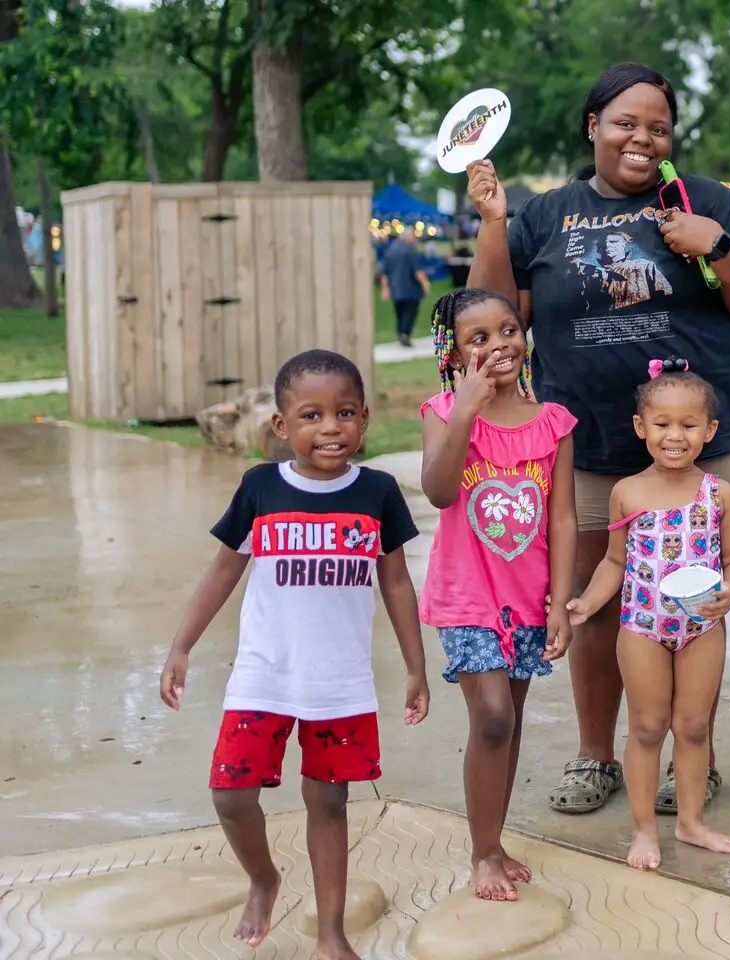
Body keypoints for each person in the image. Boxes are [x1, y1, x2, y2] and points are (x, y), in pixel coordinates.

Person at [465, 61, 730, 817]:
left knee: (689, 597)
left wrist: (717, 245)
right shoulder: (547, 214)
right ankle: (595, 756)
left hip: (700, 441)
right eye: (625, 123)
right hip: (589, 443)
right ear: (593, 127)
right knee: (594, 601)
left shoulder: (706, 201)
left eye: (658, 127)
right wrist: (491, 224)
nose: (642, 138)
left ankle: (690, 757)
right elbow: (494, 312)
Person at [158, 349, 429, 958]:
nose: (330, 427)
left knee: (328, 802)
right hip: (264, 673)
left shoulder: (379, 492)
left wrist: (415, 667)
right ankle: (264, 878)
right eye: (312, 415)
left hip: (341, 682)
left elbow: (395, 583)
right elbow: (223, 570)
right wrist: (181, 646)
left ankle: (330, 931)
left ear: (364, 420)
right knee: (230, 794)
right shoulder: (261, 486)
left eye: (345, 413)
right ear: (282, 427)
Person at [419, 288, 578, 900]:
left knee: (507, 722)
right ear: (454, 354)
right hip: (466, 594)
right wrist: (465, 410)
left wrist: (560, 600)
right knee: (490, 716)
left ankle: (495, 838)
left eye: (508, 330)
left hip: (528, 597)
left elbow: (562, 519)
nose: (498, 345)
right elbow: (436, 489)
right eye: (477, 338)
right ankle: (482, 852)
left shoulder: (553, 423)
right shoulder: (441, 412)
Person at [568, 357, 730, 870]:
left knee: (693, 727)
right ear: (641, 428)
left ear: (710, 430)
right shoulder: (626, 491)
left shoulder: (720, 495)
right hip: (642, 628)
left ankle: (692, 823)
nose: (676, 436)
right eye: (663, 424)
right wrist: (587, 602)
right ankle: (644, 829)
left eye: (690, 425)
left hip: (703, 626)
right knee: (647, 726)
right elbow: (613, 562)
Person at [379, 231, 430, 347]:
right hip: (410, 288)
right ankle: (405, 333)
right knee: (410, 312)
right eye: (413, 237)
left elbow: (385, 273)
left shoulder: (390, 251)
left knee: (399, 312)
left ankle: (400, 332)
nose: (414, 240)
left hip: (396, 288)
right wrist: (425, 284)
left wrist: (385, 289)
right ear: (407, 238)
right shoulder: (410, 251)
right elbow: (418, 271)